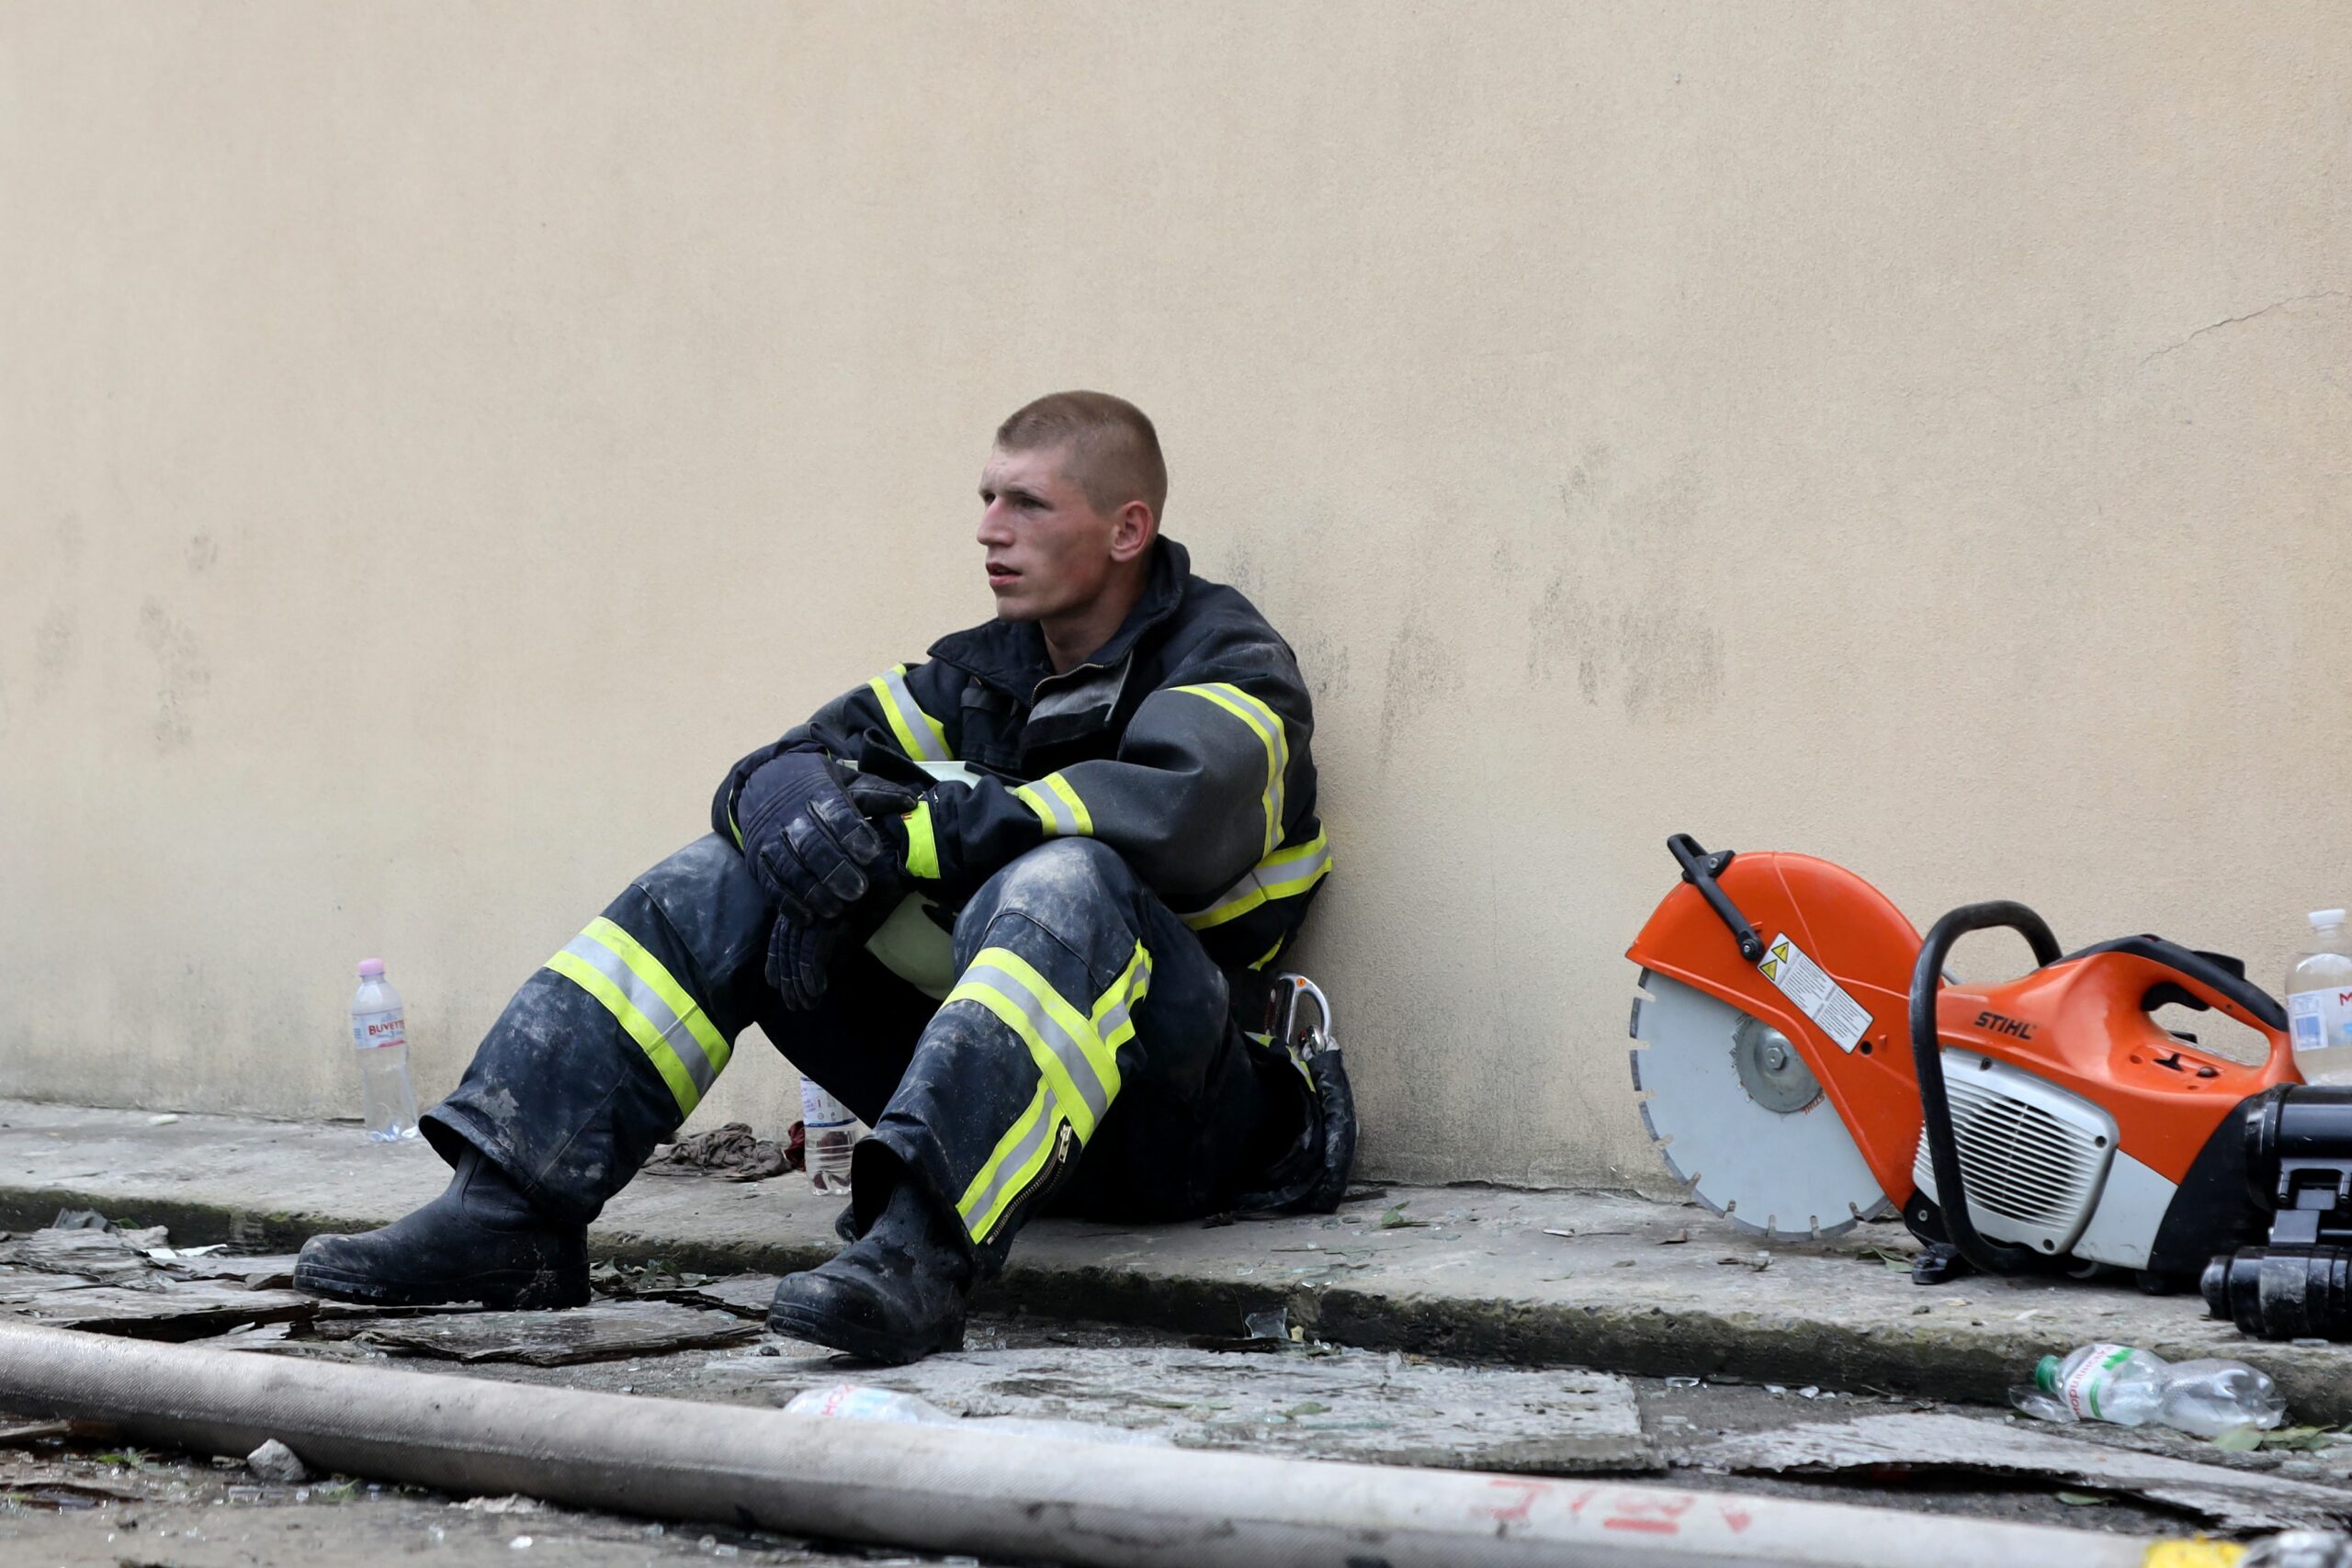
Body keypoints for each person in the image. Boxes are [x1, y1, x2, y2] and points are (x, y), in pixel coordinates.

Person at [294, 391, 1352, 1363]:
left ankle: (917, 1262)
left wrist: (916, 836)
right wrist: (784, 812)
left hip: (1179, 1120)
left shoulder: (1224, 658)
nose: (989, 528)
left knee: (1068, 878)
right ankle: (510, 1211)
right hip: (1000, 1111)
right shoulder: (978, 671)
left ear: (1127, 530)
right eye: (986, 498)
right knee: (733, 874)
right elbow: (782, 769)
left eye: (1027, 503)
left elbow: (1176, 820)